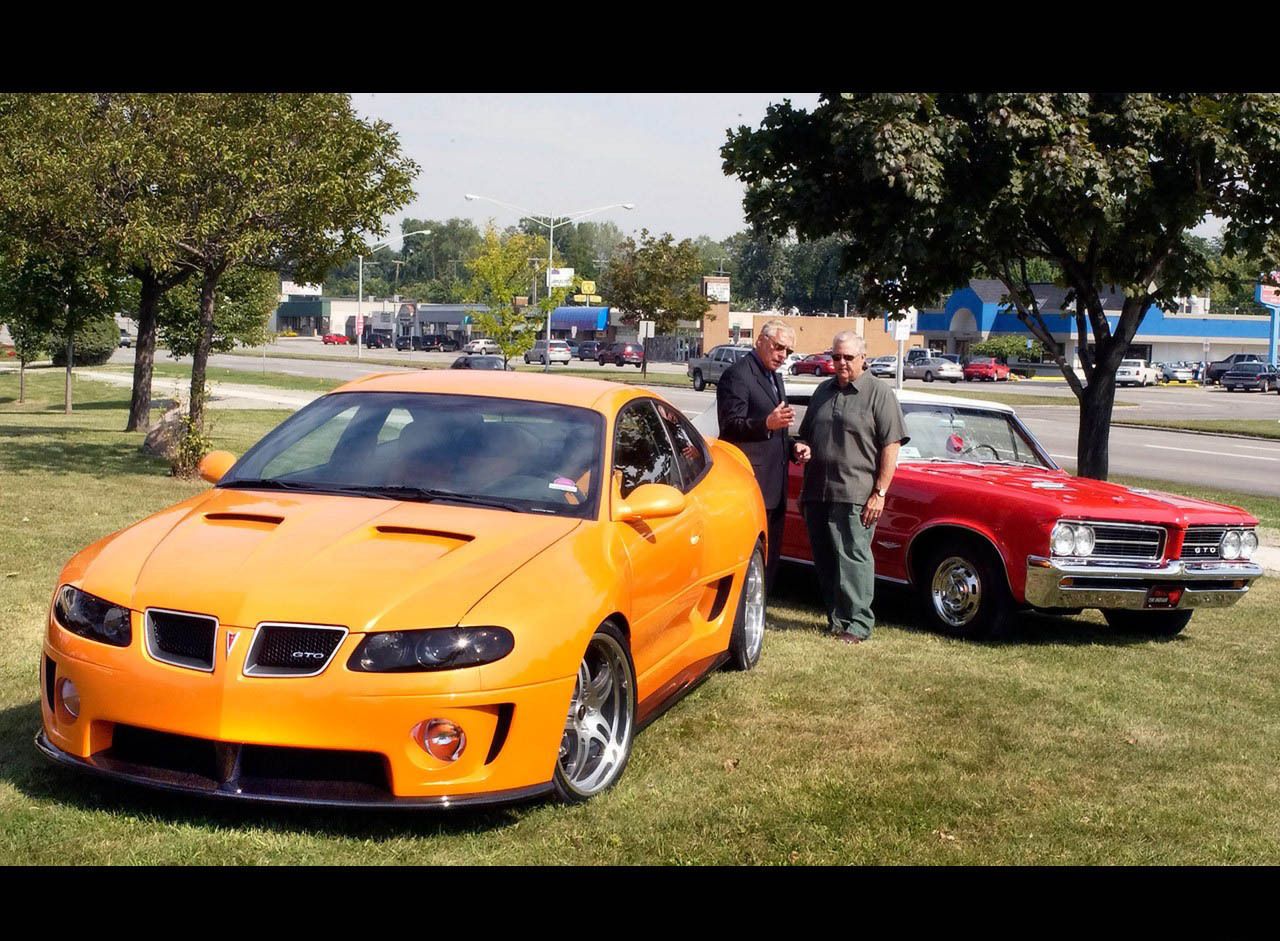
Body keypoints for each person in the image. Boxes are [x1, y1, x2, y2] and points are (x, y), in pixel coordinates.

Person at [793, 332, 908, 644]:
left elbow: (891, 445)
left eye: (847, 357)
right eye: (836, 357)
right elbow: (805, 436)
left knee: (853, 558)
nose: (840, 363)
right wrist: (802, 447)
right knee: (826, 558)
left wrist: (879, 493)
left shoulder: (878, 393)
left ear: (863, 358)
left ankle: (858, 624)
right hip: (818, 490)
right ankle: (837, 618)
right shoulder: (822, 391)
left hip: (856, 493)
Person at [716, 320, 809, 590]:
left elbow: (776, 429)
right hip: (749, 483)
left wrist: (793, 447)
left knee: (769, 562)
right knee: (747, 558)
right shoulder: (738, 375)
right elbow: (730, 426)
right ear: (760, 340)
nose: (783, 356)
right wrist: (766, 424)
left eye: (788, 352)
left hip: (775, 486)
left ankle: (759, 614)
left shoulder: (775, 377)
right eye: (779, 348)